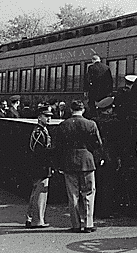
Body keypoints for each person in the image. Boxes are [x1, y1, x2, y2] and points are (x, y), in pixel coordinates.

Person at [56, 100, 102, 233]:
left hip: (69, 162)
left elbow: (58, 147)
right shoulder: (91, 124)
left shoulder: (63, 125)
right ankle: (88, 223)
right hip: (87, 161)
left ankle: (75, 224)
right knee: (88, 193)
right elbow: (98, 143)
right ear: (83, 110)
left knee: (73, 195)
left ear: (71, 110)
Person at [91, 96, 123, 217]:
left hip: (97, 155)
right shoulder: (115, 123)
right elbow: (119, 141)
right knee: (109, 183)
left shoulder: (94, 121)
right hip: (110, 155)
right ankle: (107, 210)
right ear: (109, 109)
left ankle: (97, 209)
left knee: (98, 182)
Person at [25, 106, 55, 229]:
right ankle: (37, 220)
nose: (49, 118)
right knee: (40, 193)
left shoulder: (43, 130)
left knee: (37, 192)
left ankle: (31, 218)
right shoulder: (38, 132)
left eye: (50, 116)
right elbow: (39, 151)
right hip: (40, 166)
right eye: (46, 116)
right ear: (39, 117)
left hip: (40, 165)